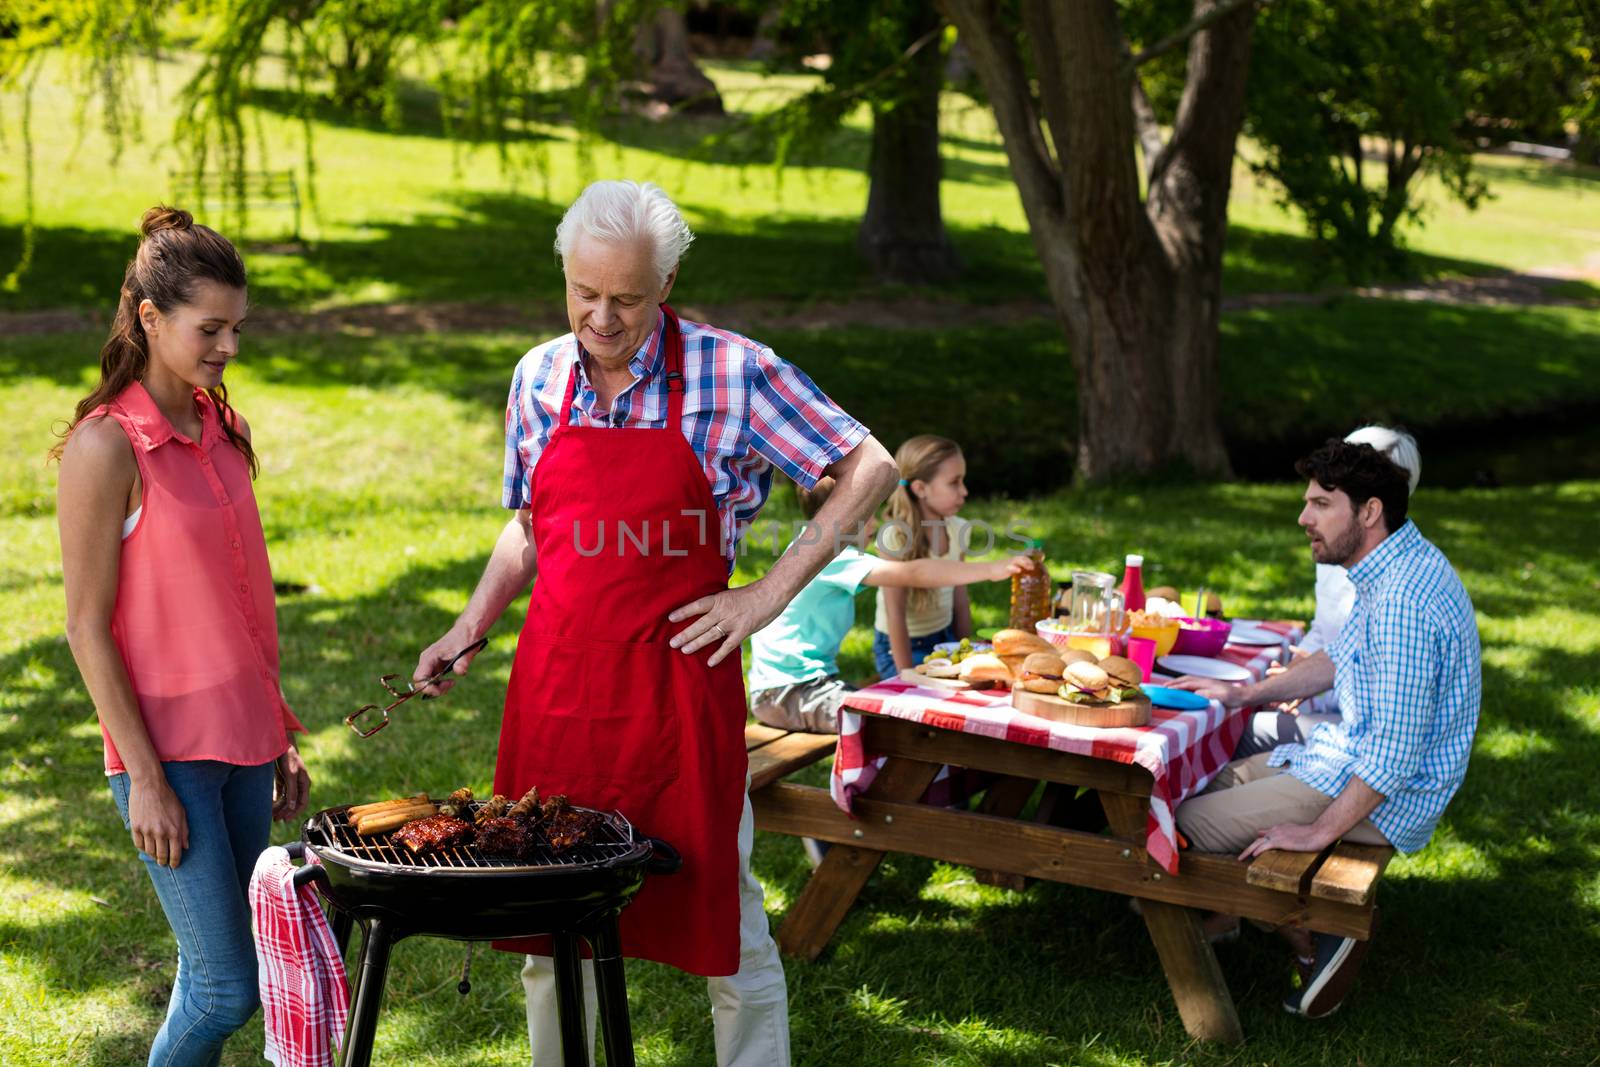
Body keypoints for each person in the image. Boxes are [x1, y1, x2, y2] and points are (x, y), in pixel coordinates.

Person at [412, 180, 896, 1067]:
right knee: (547, 920)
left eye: (625, 298)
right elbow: (530, 526)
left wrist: (765, 595)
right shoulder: (537, 377)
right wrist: (469, 624)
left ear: (664, 284)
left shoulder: (734, 371)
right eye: (583, 292)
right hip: (558, 690)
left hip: (679, 691)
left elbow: (871, 465)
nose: (600, 316)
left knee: (727, 920)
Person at [54, 206, 312, 1066]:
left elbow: (243, 605)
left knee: (230, 967)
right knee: (227, 987)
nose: (229, 346)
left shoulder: (223, 430)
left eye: (237, 327)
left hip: (245, 747)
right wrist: (147, 779)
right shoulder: (106, 448)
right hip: (167, 760)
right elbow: (86, 628)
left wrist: (276, 733)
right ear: (151, 318)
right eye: (211, 328)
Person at [1172, 438, 1480, 1020]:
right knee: (1199, 784)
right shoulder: (1391, 564)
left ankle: (1317, 927)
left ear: (1368, 512)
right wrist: (1243, 692)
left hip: (1383, 794)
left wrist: (1316, 834)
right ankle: (1272, 920)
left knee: (1182, 826)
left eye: (1320, 503)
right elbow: (1339, 656)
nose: (1302, 517)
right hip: (1346, 757)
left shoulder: (1402, 605)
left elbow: (1392, 757)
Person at [748, 476, 1037, 734]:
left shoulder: (817, 546)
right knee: (894, 724)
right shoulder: (825, 553)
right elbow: (912, 573)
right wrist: (991, 569)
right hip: (788, 694)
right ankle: (867, 791)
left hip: (803, 688)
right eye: (865, 514)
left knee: (902, 715)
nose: (874, 523)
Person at [1236, 425, 1423, 757]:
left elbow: (1384, 711)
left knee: (1241, 728)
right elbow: (1324, 631)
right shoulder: (1335, 549)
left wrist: (1309, 686)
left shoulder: (1399, 592)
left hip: (1359, 735)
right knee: (1240, 711)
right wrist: (1296, 674)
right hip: (1331, 708)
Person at [871, 434, 977, 679]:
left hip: (946, 638)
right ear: (920, 488)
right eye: (954, 482)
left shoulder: (958, 528)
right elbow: (894, 612)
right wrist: (906, 674)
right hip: (901, 649)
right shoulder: (895, 537)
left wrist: (967, 649)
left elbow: (960, 597)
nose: (964, 491)